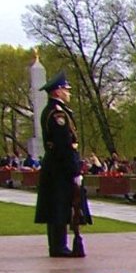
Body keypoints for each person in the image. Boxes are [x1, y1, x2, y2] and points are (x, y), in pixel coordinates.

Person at [34, 72, 85, 257]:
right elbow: (64, 145)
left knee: (59, 204)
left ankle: (58, 245)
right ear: (57, 91)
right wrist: (74, 170)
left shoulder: (56, 111)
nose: (68, 93)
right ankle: (58, 246)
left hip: (56, 165)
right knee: (59, 205)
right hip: (60, 166)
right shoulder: (57, 114)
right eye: (65, 89)